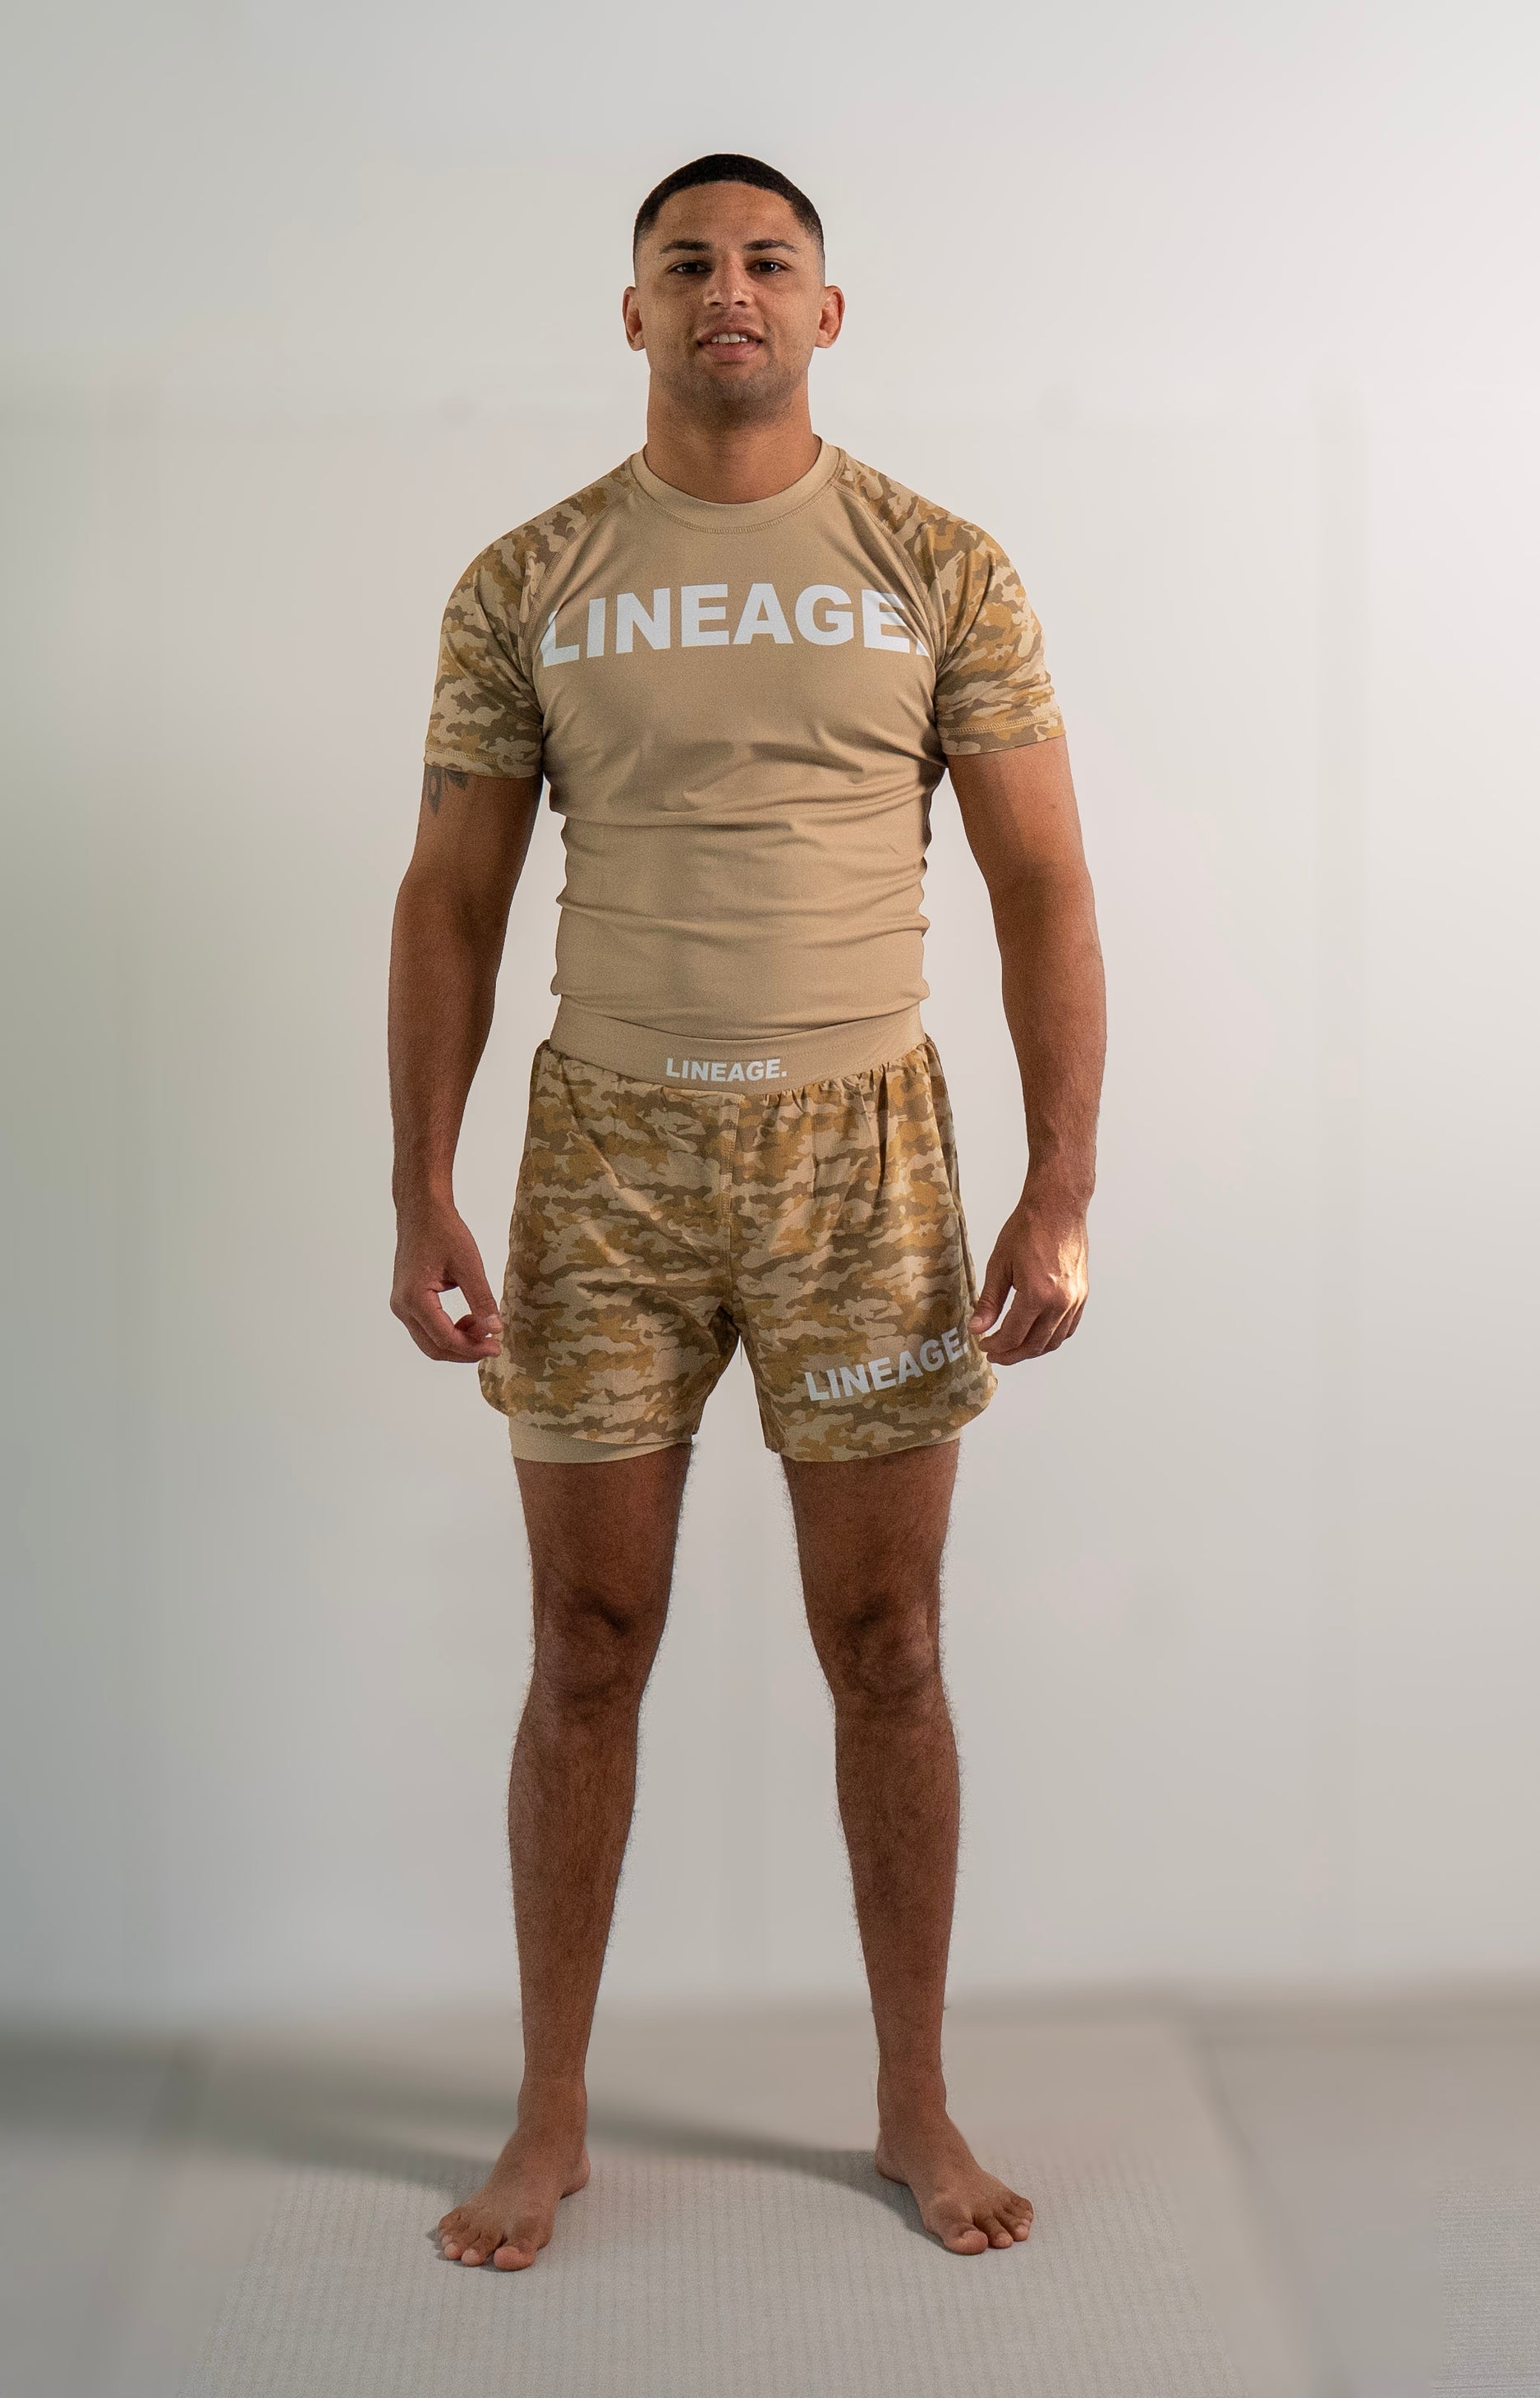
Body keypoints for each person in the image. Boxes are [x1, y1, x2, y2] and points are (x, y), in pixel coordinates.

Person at [388, 153, 1106, 2271]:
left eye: (769, 261)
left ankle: (913, 2102)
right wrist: (419, 1182)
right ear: (633, 313)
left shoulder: (939, 564)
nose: (730, 288)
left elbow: (1042, 883)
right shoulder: (528, 578)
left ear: (825, 311)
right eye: (687, 262)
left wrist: (1062, 1180)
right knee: (585, 1644)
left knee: (886, 1643)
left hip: (863, 1160)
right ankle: (549, 2116)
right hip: (605, 1158)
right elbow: (451, 894)